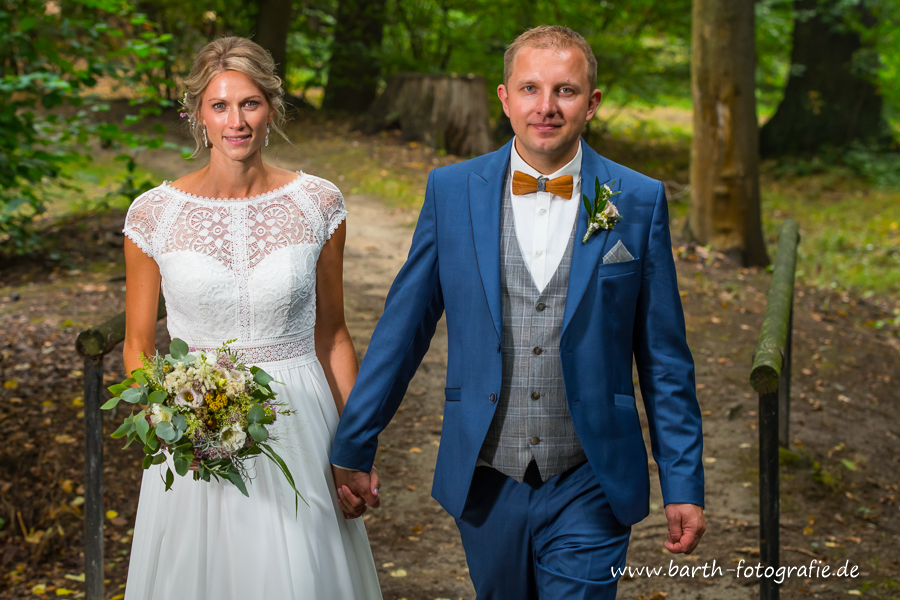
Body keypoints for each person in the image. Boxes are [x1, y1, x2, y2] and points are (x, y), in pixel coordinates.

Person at [330, 25, 706, 599]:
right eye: (530, 88)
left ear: (591, 104)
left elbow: (664, 357)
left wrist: (683, 483)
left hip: (592, 476)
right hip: (487, 476)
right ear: (505, 98)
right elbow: (402, 331)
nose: (546, 106)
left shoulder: (637, 199)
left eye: (565, 91)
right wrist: (354, 443)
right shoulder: (452, 191)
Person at [121, 37, 381, 600]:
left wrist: (356, 447)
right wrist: (174, 422)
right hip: (194, 426)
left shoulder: (318, 204)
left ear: (272, 107)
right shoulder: (153, 215)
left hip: (300, 422)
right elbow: (137, 345)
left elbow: (333, 335)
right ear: (197, 114)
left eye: (250, 103)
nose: (236, 121)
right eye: (220, 106)